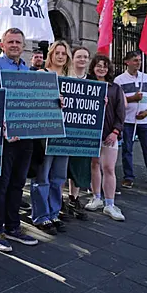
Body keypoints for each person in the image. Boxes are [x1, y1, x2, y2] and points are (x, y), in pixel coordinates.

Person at [0, 28, 39, 251]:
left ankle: (13, 227)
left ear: (23, 46)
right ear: (2, 44)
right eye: (11, 41)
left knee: (18, 184)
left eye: (18, 42)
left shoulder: (25, 68)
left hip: (25, 134)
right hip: (5, 136)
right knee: (2, 184)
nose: (15, 45)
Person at [30, 40, 72, 235]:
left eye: (64, 53)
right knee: (43, 177)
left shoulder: (71, 78)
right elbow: (33, 101)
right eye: (58, 52)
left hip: (65, 136)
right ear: (51, 55)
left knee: (59, 177)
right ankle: (41, 216)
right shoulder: (41, 75)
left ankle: (54, 212)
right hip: (46, 134)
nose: (61, 56)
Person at [114, 51, 147, 195]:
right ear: (127, 62)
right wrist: (132, 98)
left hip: (146, 121)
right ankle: (128, 177)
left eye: (139, 60)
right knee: (127, 150)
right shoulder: (119, 80)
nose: (138, 63)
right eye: (135, 60)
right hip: (128, 120)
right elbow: (117, 101)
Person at [84, 55, 127, 220]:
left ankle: (110, 203)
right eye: (98, 66)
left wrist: (115, 131)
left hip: (110, 133)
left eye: (104, 66)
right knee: (94, 165)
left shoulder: (115, 88)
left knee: (109, 167)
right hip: (93, 133)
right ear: (93, 67)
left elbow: (120, 113)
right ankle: (96, 197)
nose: (101, 69)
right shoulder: (88, 85)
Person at [65, 46, 92, 219]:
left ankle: (74, 198)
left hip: (82, 131)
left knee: (79, 165)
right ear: (72, 59)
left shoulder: (92, 81)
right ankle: (59, 199)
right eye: (79, 56)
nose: (82, 60)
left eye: (85, 57)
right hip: (64, 129)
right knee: (62, 166)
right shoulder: (65, 78)